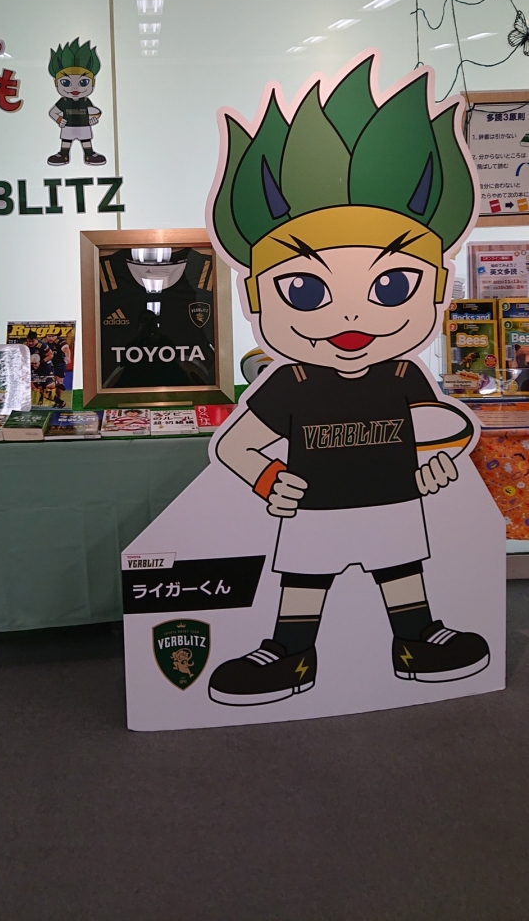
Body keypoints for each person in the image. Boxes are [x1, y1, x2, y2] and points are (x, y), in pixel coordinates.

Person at [206, 56, 489, 706]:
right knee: (303, 584)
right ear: (257, 296)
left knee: (403, 575)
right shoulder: (291, 380)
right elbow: (236, 445)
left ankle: (417, 641)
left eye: (392, 285)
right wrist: (268, 479)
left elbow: (437, 432)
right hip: (314, 507)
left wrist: (437, 464)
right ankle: (289, 654)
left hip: (393, 502)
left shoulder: (405, 373)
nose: (352, 316)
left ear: (435, 287)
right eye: (305, 290)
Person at [46, 38, 106, 166]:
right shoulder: (64, 101)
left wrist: (94, 118)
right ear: (56, 83)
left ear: (93, 83)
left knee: (86, 141)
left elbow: (95, 112)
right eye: (66, 82)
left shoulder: (85, 100)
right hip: (68, 126)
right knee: (66, 141)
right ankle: (63, 155)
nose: (75, 88)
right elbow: (52, 112)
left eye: (83, 82)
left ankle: (89, 155)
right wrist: (59, 120)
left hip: (84, 125)